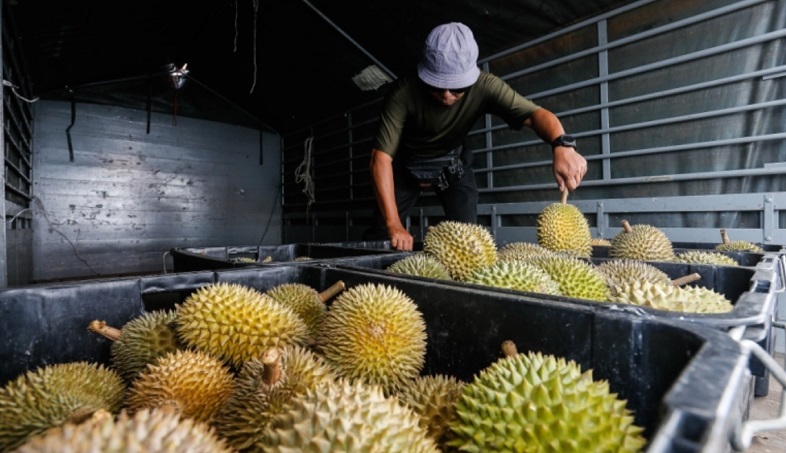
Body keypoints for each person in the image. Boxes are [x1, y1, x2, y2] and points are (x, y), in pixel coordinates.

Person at [364, 22, 587, 251]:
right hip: (406, 168)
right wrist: (394, 224)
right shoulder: (403, 93)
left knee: (469, 242)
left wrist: (562, 144)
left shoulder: (486, 86)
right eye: (436, 85)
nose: (446, 96)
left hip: (451, 165)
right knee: (381, 237)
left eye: (457, 89)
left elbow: (534, 114)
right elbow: (380, 158)